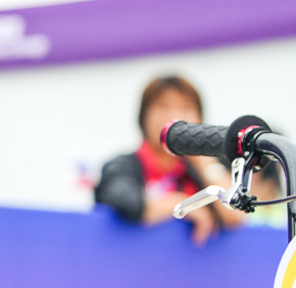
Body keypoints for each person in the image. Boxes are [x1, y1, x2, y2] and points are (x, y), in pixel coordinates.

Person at [94, 74, 247, 246]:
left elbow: (236, 217)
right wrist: (182, 205)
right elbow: (124, 201)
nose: (175, 117)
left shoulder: (203, 170)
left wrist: (201, 155)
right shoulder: (123, 165)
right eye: (163, 106)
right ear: (144, 116)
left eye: (186, 108)